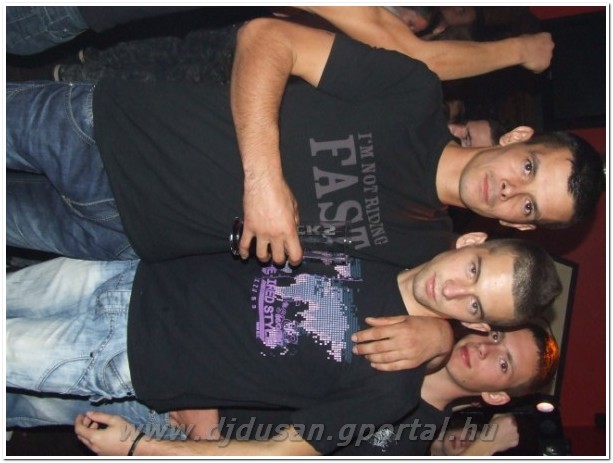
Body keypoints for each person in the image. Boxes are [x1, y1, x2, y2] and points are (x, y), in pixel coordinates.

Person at [7, 18, 604, 268]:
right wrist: (264, 182)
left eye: (529, 205)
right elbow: (267, 38)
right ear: (519, 137)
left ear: (519, 225)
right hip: (110, 135)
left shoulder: (419, 251)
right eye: (529, 167)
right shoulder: (413, 93)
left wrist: (431, 336)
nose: (509, 188)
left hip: (127, 235)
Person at [7, 238, 560, 456]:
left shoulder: (394, 404)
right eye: (494, 338)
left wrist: (142, 448)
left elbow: (279, 453)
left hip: (137, 364)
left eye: (503, 363)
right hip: (137, 277)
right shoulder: (400, 238)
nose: (485, 350)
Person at [429, 412, 519, 456]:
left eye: (474, 447)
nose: (465, 442)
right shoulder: (428, 416)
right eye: (471, 436)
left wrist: (489, 445)